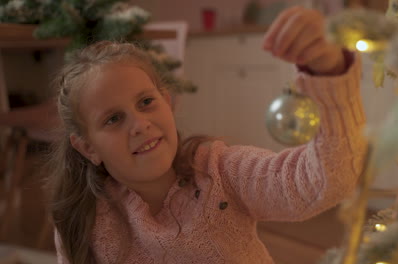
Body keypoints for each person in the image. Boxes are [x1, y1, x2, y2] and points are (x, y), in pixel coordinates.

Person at [47, 6, 366, 264]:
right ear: (88, 147)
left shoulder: (221, 170)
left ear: (168, 102)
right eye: (114, 119)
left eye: (146, 102)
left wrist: (329, 71)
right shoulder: (84, 219)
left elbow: (325, 180)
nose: (140, 124)